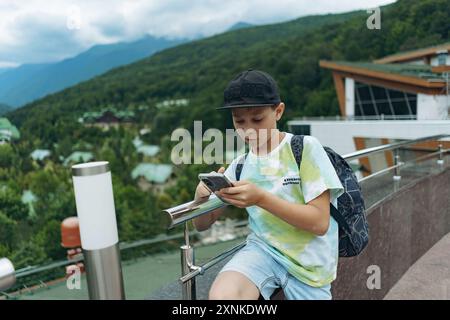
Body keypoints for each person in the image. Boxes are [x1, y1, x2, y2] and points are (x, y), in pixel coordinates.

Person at [192, 69, 344, 300]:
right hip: (262, 252)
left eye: (257, 119)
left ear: (278, 111)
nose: (248, 129)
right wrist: (200, 199)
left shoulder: (304, 149)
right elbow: (203, 224)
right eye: (239, 120)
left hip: (310, 267)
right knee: (223, 296)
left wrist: (261, 198)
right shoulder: (240, 165)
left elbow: (319, 222)